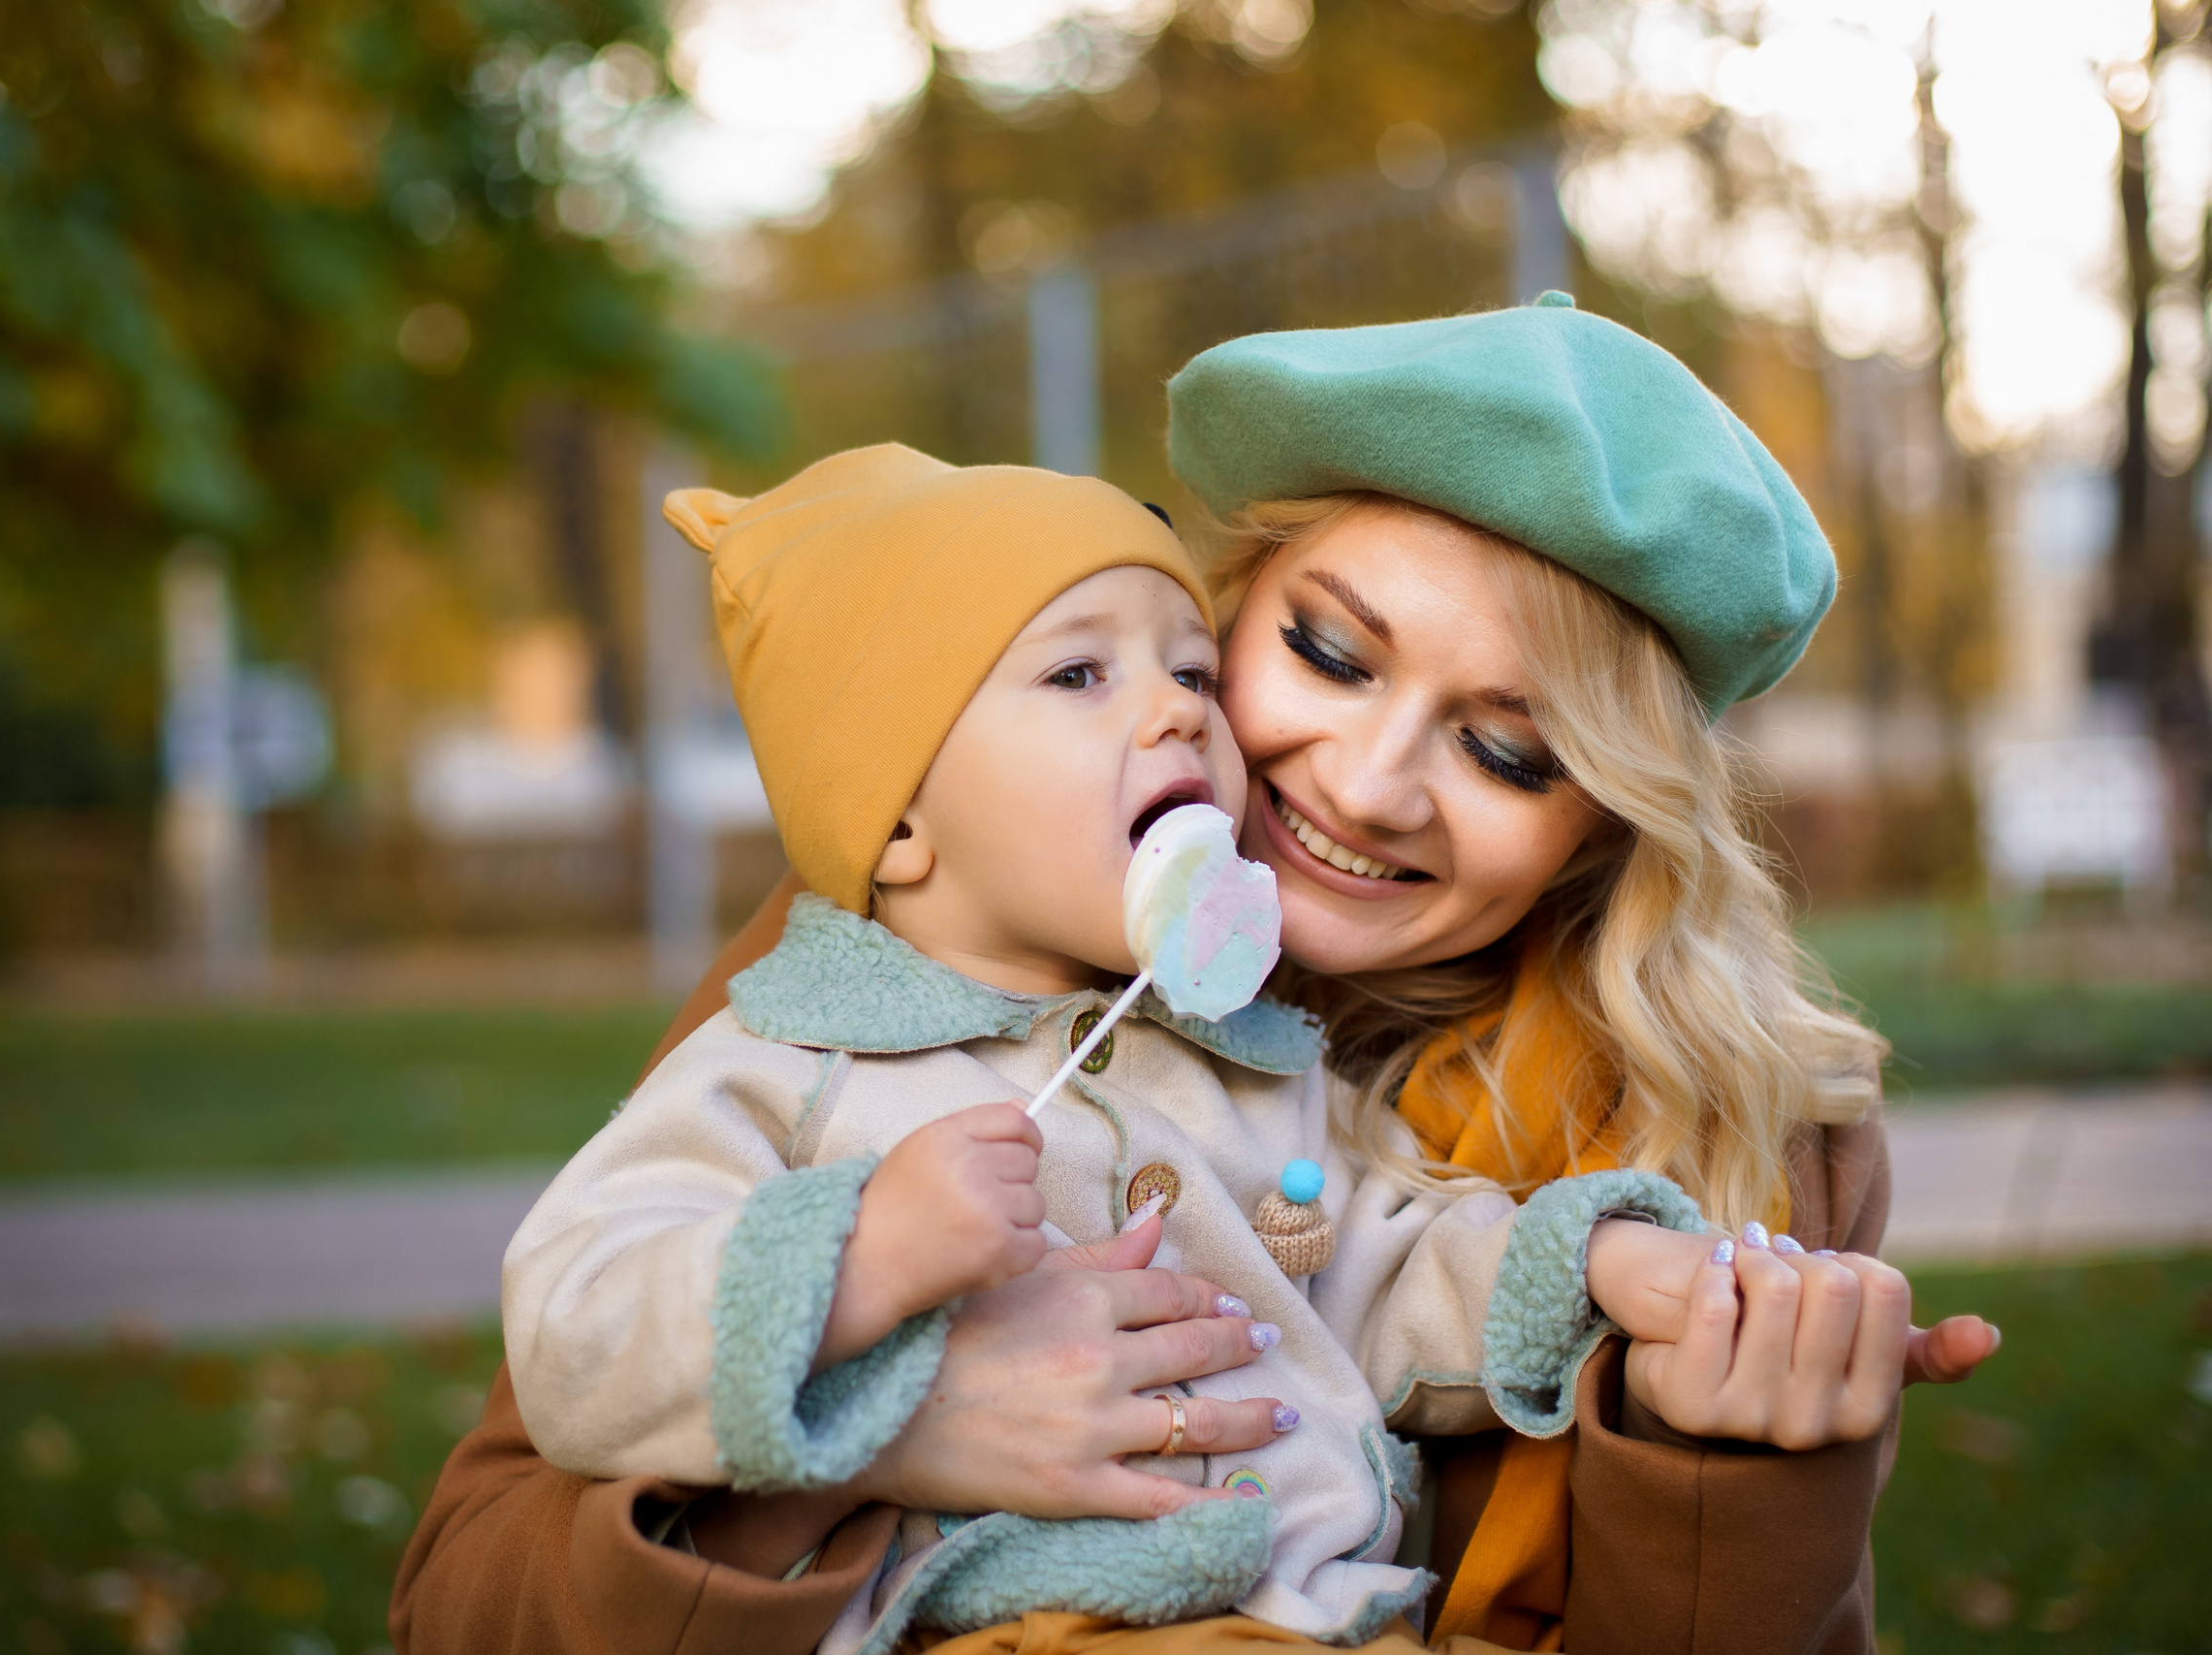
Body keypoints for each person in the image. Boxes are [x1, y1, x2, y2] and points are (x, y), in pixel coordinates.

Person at [393, 296, 2000, 1655]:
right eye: (1327, 650)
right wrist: (885, 1430)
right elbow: (472, 1582)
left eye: (1507, 746)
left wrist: (1715, 1440)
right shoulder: (882, 959)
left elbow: (1395, 1264)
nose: (1365, 786)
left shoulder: (1737, 1139)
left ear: (1603, 826)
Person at [498, 442, 1726, 1654]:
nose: (1176, 710)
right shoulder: (786, 1068)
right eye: (1079, 675)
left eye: (1192, 670)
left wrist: (1594, 1266)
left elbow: (1387, 1273)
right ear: (898, 819)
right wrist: (853, 1264)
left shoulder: (1240, 1067)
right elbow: (576, 1328)